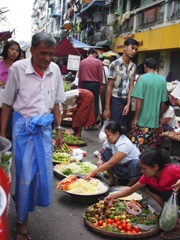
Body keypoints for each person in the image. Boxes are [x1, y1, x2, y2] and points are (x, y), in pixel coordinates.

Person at [0, 32, 66, 240]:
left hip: (45, 131)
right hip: (23, 130)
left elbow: (56, 102)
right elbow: (7, 103)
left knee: (41, 175)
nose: (47, 58)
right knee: (25, 176)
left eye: (51, 54)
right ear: (32, 50)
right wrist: (2, 134)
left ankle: (24, 204)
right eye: (43, 53)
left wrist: (59, 129)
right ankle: (21, 223)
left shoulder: (54, 70)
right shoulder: (18, 69)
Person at [104, 147, 180, 208]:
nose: (141, 171)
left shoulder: (172, 170)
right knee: (149, 187)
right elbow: (131, 189)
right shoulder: (148, 177)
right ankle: (166, 210)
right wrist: (112, 196)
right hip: (167, 194)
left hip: (176, 193)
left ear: (155, 167)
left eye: (144, 168)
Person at [85, 121, 142, 186]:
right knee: (106, 152)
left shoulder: (124, 144)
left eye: (108, 136)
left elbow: (110, 163)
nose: (106, 138)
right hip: (121, 166)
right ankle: (112, 180)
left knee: (135, 163)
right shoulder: (111, 140)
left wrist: (92, 172)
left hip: (131, 169)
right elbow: (100, 153)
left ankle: (129, 186)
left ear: (117, 134)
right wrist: (100, 160)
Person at [130, 58, 168, 152]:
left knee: (136, 150)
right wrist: (160, 118)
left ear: (145, 67)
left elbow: (139, 100)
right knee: (150, 151)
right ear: (156, 68)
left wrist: (135, 118)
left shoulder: (142, 78)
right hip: (154, 123)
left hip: (142, 122)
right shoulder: (162, 80)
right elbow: (163, 102)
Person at [103, 38, 139, 130]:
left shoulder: (133, 66)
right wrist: (107, 108)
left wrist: (128, 103)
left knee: (123, 129)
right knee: (113, 129)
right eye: (132, 48)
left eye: (136, 49)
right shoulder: (114, 64)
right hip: (115, 101)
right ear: (125, 48)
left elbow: (131, 86)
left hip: (126, 102)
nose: (134, 51)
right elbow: (109, 87)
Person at [0, 40, 21, 140]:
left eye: (17, 50)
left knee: (9, 127)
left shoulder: (19, 67)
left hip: (12, 103)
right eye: (12, 49)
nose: (14, 52)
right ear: (6, 49)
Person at [78, 48, 103, 130]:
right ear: (95, 54)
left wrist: (79, 87)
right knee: (95, 104)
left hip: (85, 84)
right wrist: (100, 87)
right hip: (95, 85)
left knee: (85, 104)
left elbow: (80, 75)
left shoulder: (82, 62)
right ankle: (92, 124)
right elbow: (100, 76)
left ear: (87, 53)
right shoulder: (98, 62)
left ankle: (85, 124)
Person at [100, 59, 110, 123]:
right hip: (106, 85)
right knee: (104, 101)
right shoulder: (108, 69)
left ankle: (101, 116)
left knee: (101, 101)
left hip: (103, 86)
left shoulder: (103, 68)